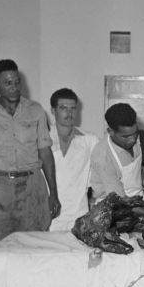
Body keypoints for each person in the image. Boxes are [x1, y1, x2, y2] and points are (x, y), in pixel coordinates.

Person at [0, 59, 61, 251]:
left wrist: (54, 193)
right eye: (7, 83)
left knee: (34, 246)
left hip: (32, 187)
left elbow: (45, 152)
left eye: (17, 82)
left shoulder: (35, 111)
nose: (14, 88)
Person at [89, 102, 144, 287]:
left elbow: (136, 169)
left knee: (139, 267)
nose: (132, 139)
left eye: (135, 133)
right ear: (110, 131)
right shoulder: (102, 155)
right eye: (125, 135)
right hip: (112, 213)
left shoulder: (134, 140)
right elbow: (119, 202)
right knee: (118, 271)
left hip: (135, 205)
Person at [48, 88, 98, 231]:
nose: (69, 113)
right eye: (63, 108)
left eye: (73, 108)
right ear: (53, 110)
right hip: (48, 215)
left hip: (78, 215)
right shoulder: (42, 139)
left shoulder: (90, 140)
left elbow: (105, 166)